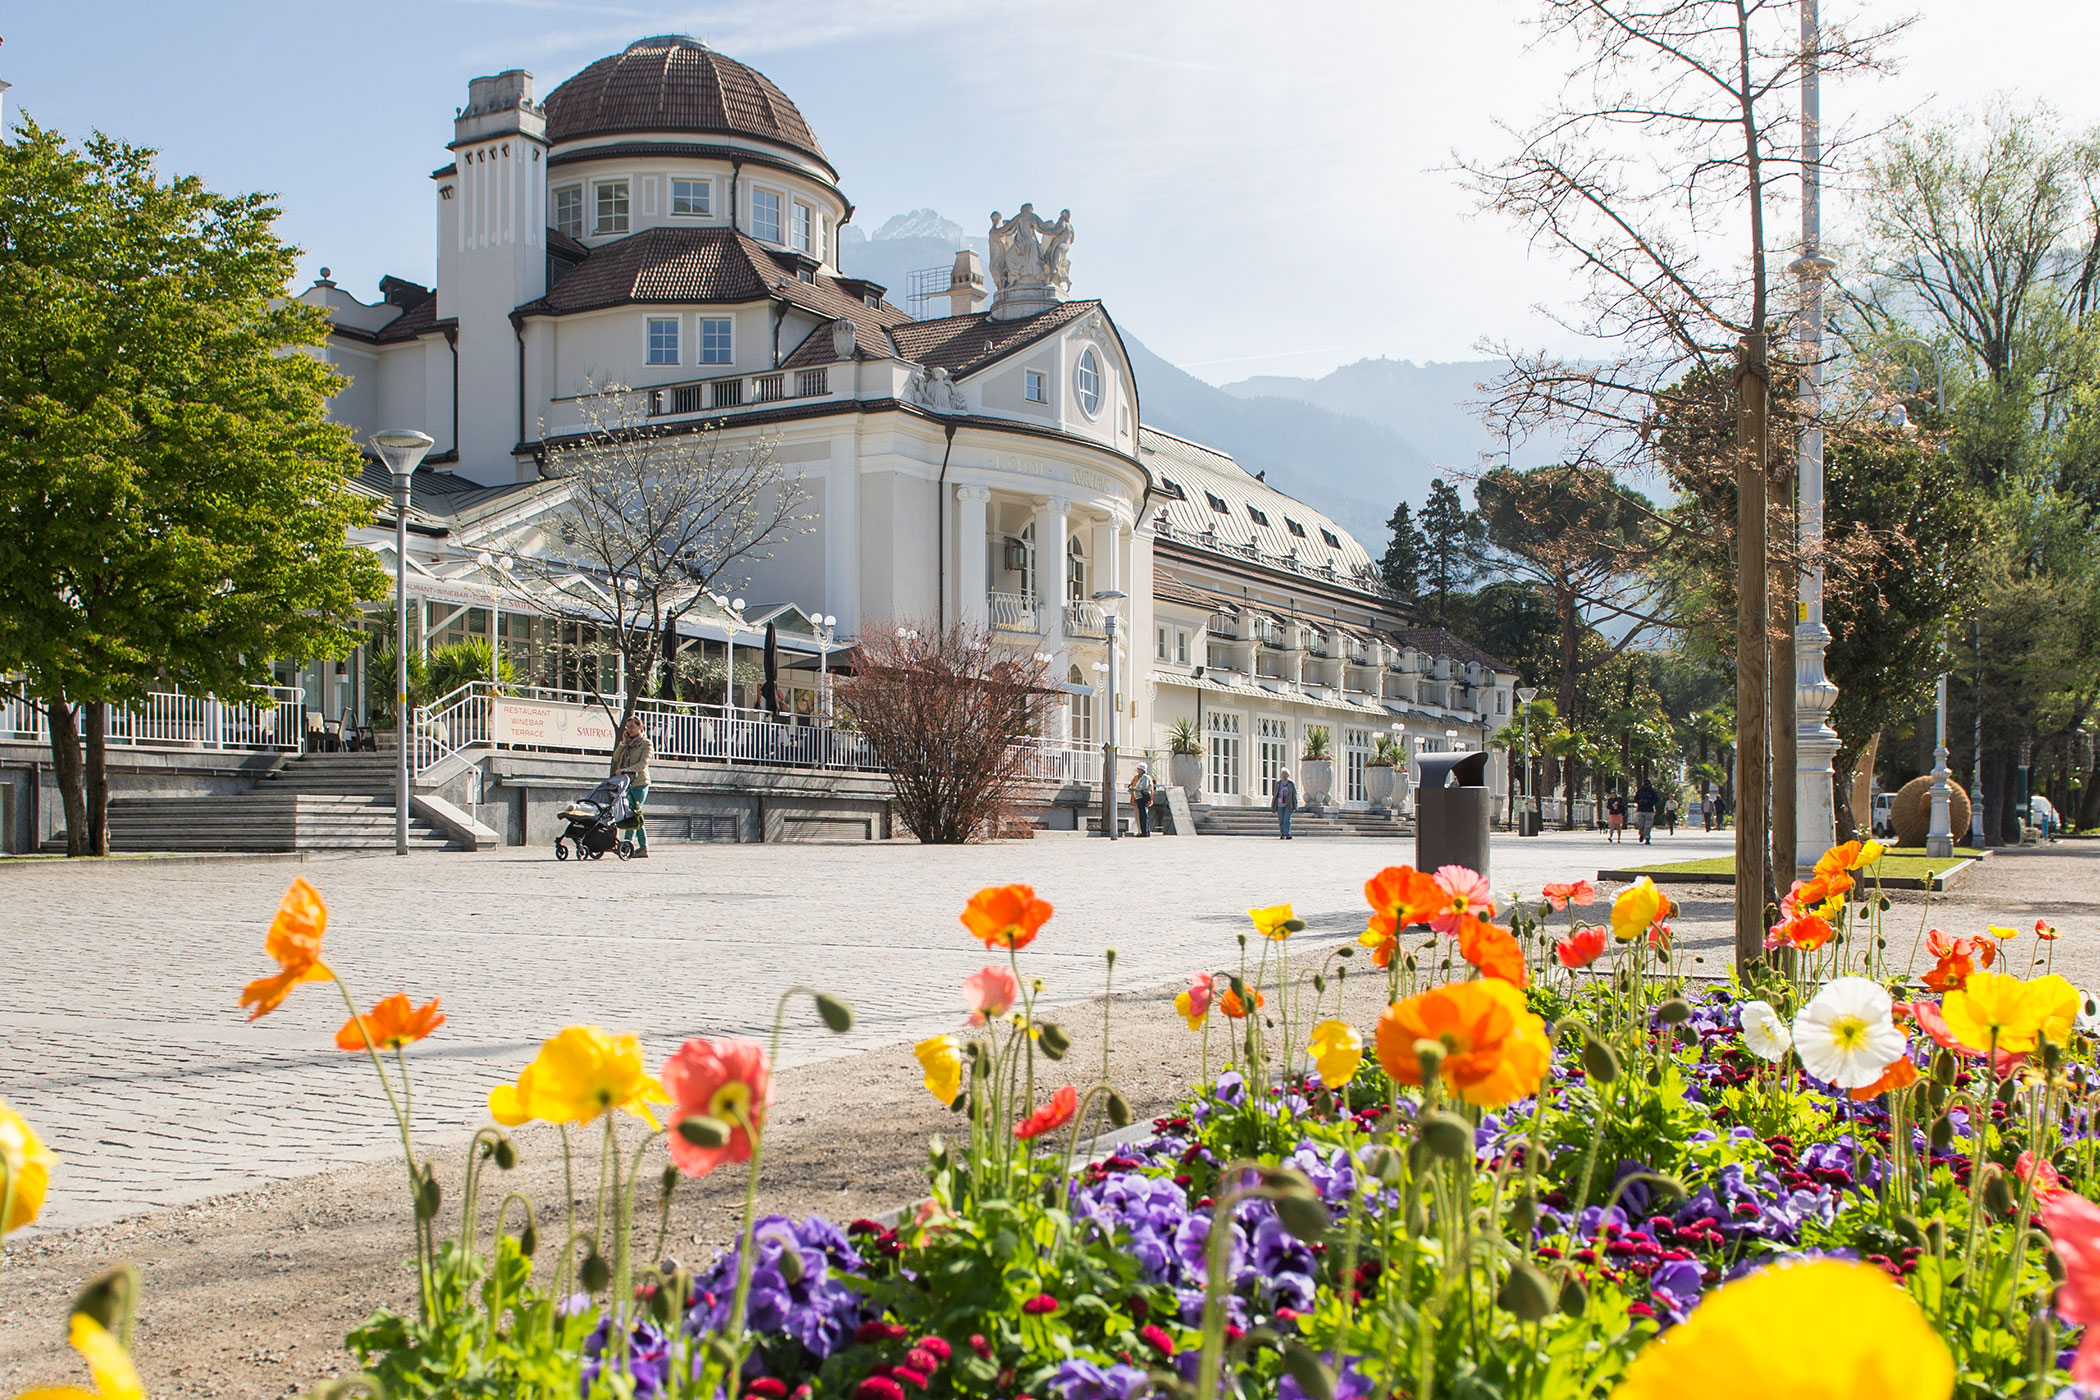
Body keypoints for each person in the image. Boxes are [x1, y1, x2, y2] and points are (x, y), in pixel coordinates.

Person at [610, 714, 653, 859]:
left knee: (634, 813)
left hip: (640, 783)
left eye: (632, 726)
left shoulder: (646, 743)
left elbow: (643, 764)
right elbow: (616, 758)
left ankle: (629, 844)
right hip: (626, 783)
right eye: (627, 727)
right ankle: (642, 847)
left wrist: (625, 770)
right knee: (635, 815)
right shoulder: (627, 743)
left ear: (640, 726)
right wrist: (622, 743)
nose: (630, 730)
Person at [1130, 763, 1154, 837]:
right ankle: (1145, 831)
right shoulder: (1140, 777)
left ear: (1142, 770)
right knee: (1143, 815)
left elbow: (1143, 787)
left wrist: (1134, 788)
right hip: (1140, 797)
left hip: (1142, 798)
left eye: (1139, 769)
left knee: (1143, 815)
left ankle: (1144, 832)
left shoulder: (1145, 777)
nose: (1138, 770)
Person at [1274, 767, 1299, 840]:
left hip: (1288, 804)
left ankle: (1287, 833)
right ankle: (1282, 833)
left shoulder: (1291, 784)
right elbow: (1275, 794)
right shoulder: (1278, 783)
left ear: (1288, 775)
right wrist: (1273, 804)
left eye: (1285, 774)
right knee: (1281, 820)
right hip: (1280, 804)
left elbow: (1294, 795)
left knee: (1287, 819)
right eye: (1283, 774)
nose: (1284, 775)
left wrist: (1295, 805)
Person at [1633, 778, 1658, 845]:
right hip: (1640, 809)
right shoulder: (1640, 791)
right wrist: (1639, 801)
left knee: (1648, 826)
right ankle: (1641, 834)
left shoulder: (1652, 792)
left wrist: (1648, 802)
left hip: (1649, 810)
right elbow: (1635, 799)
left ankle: (1647, 838)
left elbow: (1656, 800)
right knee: (1640, 825)